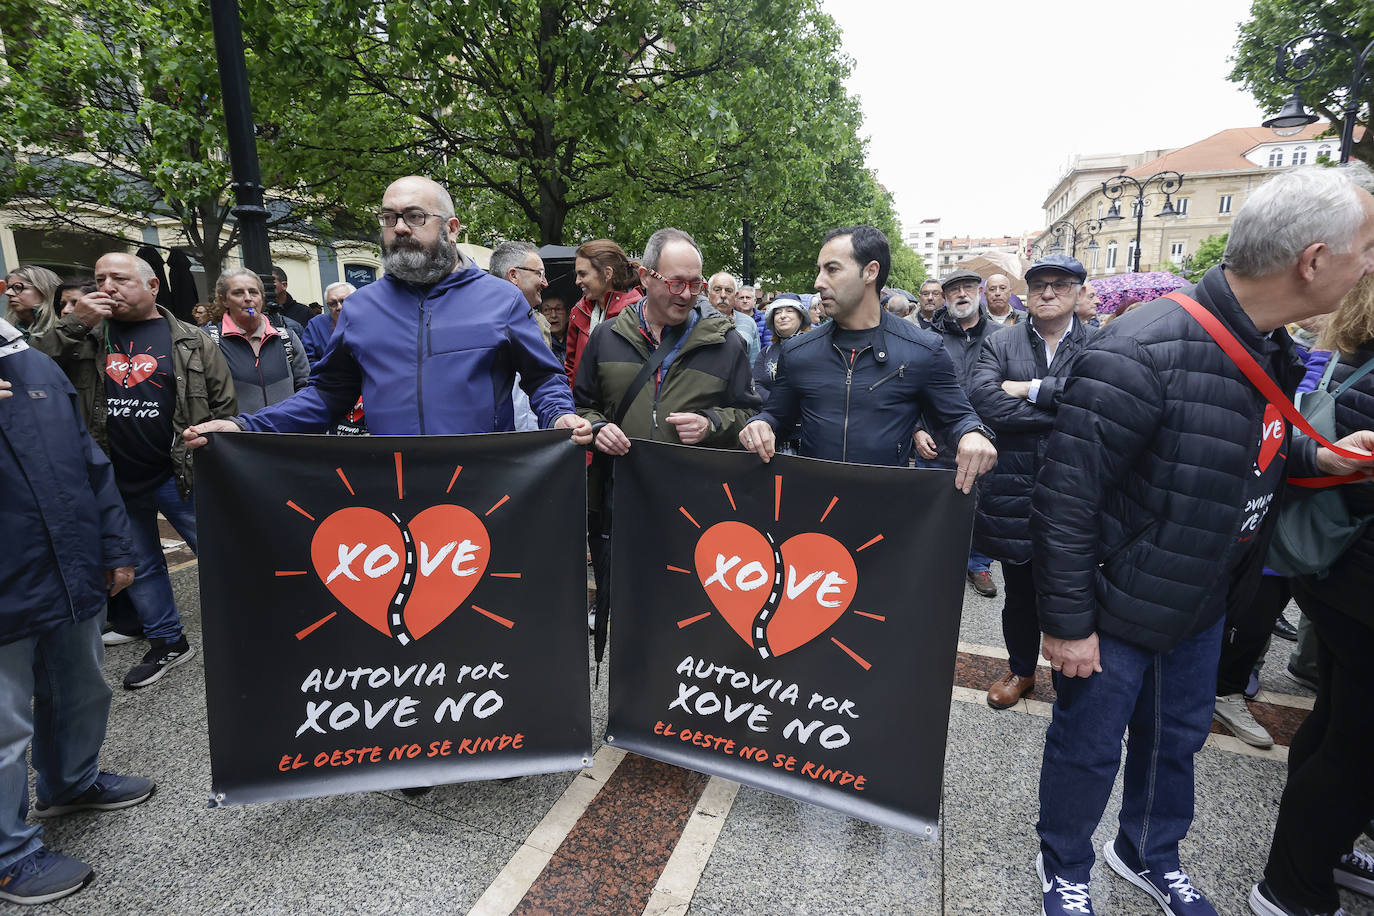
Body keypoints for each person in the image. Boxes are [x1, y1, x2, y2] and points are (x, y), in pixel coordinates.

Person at [1030, 164, 1374, 916]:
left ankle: (1147, 852)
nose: (1372, 266)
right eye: (1368, 248)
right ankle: (1064, 867)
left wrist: (1319, 457)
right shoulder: (1140, 347)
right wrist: (1067, 624)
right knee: (1087, 749)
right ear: (1313, 261)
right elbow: (1065, 499)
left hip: (1205, 599)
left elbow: (1239, 444)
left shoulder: (1271, 342)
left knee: (1176, 741)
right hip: (1116, 608)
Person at [182, 176, 590, 444]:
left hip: (482, 483)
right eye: (389, 216)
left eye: (416, 216)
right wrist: (243, 426)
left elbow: (542, 378)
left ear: (451, 229)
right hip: (392, 488)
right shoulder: (361, 309)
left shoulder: (501, 300)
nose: (399, 227)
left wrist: (558, 417)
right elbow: (326, 395)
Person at [0, 312, 155, 906]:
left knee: (81, 687)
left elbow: (90, 465)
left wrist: (116, 547)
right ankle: (10, 853)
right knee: (6, 725)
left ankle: (72, 782)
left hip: (68, 570)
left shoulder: (33, 363)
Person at [32, 252, 237, 689]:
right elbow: (31, 366)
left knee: (221, 552)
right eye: (100, 278)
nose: (107, 286)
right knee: (140, 564)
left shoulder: (192, 340)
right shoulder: (84, 337)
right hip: (111, 478)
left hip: (178, 472)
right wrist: (75, 323)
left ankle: (250, 627)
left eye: (120, 278)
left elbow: (224, 407)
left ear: (151, 287)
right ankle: (167, 641)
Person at [574, 227, 760, 658]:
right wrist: (598, 429)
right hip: (621, 501)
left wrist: (711, 423)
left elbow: (751, 413)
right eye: (677, 282)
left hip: (695, 509)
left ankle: (679, 711)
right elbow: (581, 406)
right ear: (645, 277)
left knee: (690, 612)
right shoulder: (606, 337)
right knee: (624, 605)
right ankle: (629, 710)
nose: (688, 294)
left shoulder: (725, 342)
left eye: (696, 284)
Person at [1252, 271, 1374, 916]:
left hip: (1337, 575)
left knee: (1335, 725)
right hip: (1356, 583)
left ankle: (1317, 852)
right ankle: (1294, 886)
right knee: (1353, 743)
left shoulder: (1353, 359)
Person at [739, 225, 995, 491]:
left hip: (885, 508)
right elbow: (777, 416)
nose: (818, 282)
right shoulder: (798, 351)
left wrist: (973, 434)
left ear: (870, 271)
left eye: (832, 269)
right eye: (819, 270)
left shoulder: (923, 349)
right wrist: (760, 424)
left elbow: (957, 416)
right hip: (813, 509)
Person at [968, 254, 1094, 710]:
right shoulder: (1000, 343)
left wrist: (1028, 388)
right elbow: (983, 399)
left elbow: (1098, 402)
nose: (1047, 292)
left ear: (1078, 290)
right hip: (1014, 490)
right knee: (1019, 594)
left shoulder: (1100, 343)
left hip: (1077, 488)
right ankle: (1021, 669)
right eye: (1038, 284)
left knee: (1073, 590)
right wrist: (1061, 411)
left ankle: (1069, 678)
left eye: (1059, 284)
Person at [922, 268, 1003, 596]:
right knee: (934, 509)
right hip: (937, 442)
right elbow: (912, 389)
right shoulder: (929, 339)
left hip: (986, 442)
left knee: (982, 509)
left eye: (968, 287)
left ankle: (978, 565)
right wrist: (916, 429)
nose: (961, 294)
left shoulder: (1001, 337)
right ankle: (934, 565)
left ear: (979, 292)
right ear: (944, 296)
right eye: (953, 289)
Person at [204, 268, 310, 414]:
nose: (248, 298)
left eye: (253, 292)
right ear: (224, 300)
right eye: (238, 293)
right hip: (235, 435)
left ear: (262, 297)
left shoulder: (287, 339)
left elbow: (305, 390)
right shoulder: (209, 341)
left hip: (286, 433)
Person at [490, 241, 555, 431]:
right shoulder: (479, 325)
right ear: (514, 275)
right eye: (540, 274)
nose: (545, 283)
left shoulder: (540, 323)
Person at [565, 239, 643, 387]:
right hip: (582, 407)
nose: (577, 281)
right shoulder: (579, 312)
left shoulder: (638, 314)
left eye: (582, 274)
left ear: (607, 273)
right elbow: (570, 368)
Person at [753, 294, 809, 453]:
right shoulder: (766, 352)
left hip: (807, 433)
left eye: (789, 311)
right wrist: (780, 404)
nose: (783, 316)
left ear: (801, 316)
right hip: (775, 431)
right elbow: (756, 384)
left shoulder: (815, 348)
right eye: (777, 313)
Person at [708, 272, 761, 364]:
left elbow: (754, 363)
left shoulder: (749, 323)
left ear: (735, 296)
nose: (723, 295)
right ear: (708, 294)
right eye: (717, 290)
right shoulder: (696, 321)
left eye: (728, 291)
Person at [301, 282, 355, 365]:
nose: (339, 307)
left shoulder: (370, 322)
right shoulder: (316, 325)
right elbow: (307, 362)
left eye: (344, 301)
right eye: (332, 304)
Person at [3, 265, 60, 340]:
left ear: (43, 291)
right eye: (8, 288)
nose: (8, 293)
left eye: (18, 287)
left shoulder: (64, 331)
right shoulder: (5, 332)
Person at [540, 295, 569, 365]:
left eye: (558, 309)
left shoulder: (578, 339)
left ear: (568, 314)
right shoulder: (539, 344)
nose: (553, 315)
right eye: (547, 310)